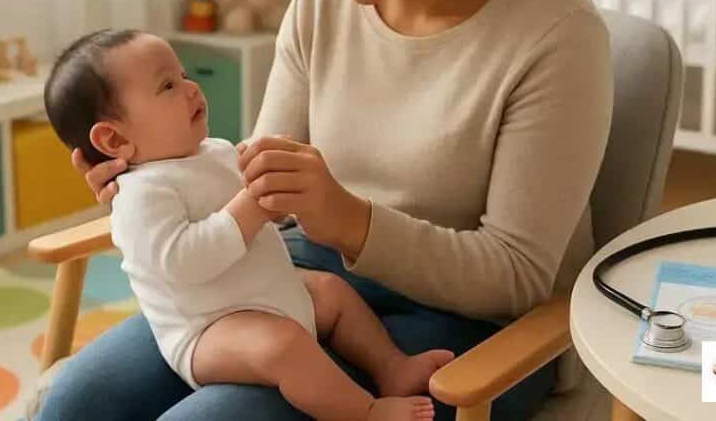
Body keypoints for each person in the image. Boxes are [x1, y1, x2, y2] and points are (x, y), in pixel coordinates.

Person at [36, 0, 612, 420]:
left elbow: (517, 274)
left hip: (465, 323)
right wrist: (154, 186)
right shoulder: (321, 2)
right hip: (291, 277)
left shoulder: (553, 30)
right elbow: (262, 179)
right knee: (77, 401)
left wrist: (351, 219)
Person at [42, 29, 451, 420]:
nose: (191, 87)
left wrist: (273, 193)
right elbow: (184, 262)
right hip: (208, 329)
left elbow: (262, 207)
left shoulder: (211, 151)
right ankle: (366, 412)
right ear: (114, 142)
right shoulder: (140, 195)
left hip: (268, 289)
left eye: (183, 75)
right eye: (167, 86)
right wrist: (253, 205)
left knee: (331, 292)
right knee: (284, 348)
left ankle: (393, 367)